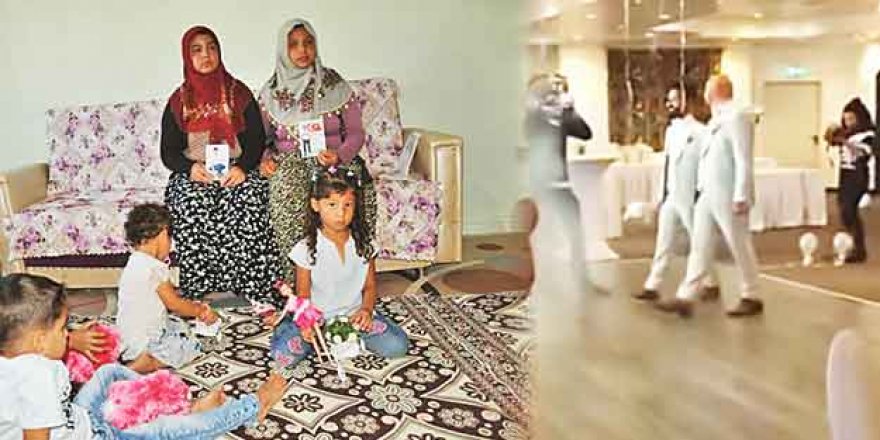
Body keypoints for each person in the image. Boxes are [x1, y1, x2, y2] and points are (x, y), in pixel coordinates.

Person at [0, 273, 287, 439]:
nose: (68, 334)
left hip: (80, 418)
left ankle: (176, 405)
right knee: (163, 431)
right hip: (99, 436)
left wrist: (72, 340)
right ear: (39, 341)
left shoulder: (16, 358)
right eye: (64, 328)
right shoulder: (37, 377)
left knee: (108, 372)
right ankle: (251, 407)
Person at [161, 25, 280, 305]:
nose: (206, 55)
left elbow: (256, 140)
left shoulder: (239, 94)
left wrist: (243, 168)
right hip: (197, 170)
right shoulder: (178, 101)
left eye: (211, 48)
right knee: (189, 202)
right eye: (197, 50)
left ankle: (254, 287)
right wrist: (190, 169)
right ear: (187, 56)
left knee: (250, 198)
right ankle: (201, 289)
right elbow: (168, 152)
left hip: (236, 167)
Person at [258, 18, 376, 285]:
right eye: (294, 45)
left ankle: (351, 276)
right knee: (286, 191)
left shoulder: (334, 84)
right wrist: (265, 160)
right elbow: (263, 141)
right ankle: (298, 284)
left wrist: (340, 155)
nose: (303, 50)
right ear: (283, 50)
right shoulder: (271, 93)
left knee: (350, 188)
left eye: (308, 43)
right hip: (292, 161)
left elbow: (356, 133)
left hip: (333, 157)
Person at [269, 169, 408, 370]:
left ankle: (344, 338)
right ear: (316, 205)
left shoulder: (365, 245)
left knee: (398, 346)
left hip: (353, 318)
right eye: (332, 205)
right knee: (284, 357)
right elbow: (303, 295)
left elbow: (370, 287)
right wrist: (307, 325)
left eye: (347, 205)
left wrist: (366, 310)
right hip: (317, 321)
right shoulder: (306, 249)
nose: (341, 214)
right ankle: (294, 329)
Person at [657, 74, 763, 318]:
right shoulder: (716, 120)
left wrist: (741, 193)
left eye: (708, 88)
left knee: (738, 242)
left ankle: (752, 293)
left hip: (727, 192)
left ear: (717, 91)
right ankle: (687, 295)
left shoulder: (736, 117)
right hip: (708, 192)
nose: (704, 94)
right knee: (700, 244)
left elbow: (743, 158)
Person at [635, 83, 719, 301]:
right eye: (669, 100)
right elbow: (668, 163)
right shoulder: (671, 131)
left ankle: (710, 281)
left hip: (690, 196)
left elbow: (705, 165)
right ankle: (653, 284)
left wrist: (701, 193)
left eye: (674, 99)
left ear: (686, 101)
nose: (669, 104)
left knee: (698, 240)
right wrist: (660, 196)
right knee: (663, 240)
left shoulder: (702, 132)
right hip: (672, 195)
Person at [116, 203, 219, 373]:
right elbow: (175, 305)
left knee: (174, 325)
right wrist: (199, 310)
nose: (170, 246)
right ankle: (138, 366)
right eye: (170, 239)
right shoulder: (155, 268)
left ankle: (137, 359)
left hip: (127, 340)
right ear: (163, 233)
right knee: (186, 346)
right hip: (146, 342)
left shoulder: (134, 262)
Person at [524, 73, 592, 290]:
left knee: (575, 233)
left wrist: (570, 111)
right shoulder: (533, 120)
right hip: (540, 188)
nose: (554, 97)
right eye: (549, 93)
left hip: (562, 186)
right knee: (538, 235)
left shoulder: (561, 121)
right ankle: (536, 282)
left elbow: (585, 133)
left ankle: (582, 280)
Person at [829, 98, 874, 263]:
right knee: (843, 210)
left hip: (858, 176)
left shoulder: (867, 134)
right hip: (845, 176)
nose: (848, 123)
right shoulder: (846, 133)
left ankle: (859, 249)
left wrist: (846, 142)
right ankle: (849, 246)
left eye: (851, 119)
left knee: (850, 210)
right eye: (846, 119)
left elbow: (865, 152)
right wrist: (834, 139)